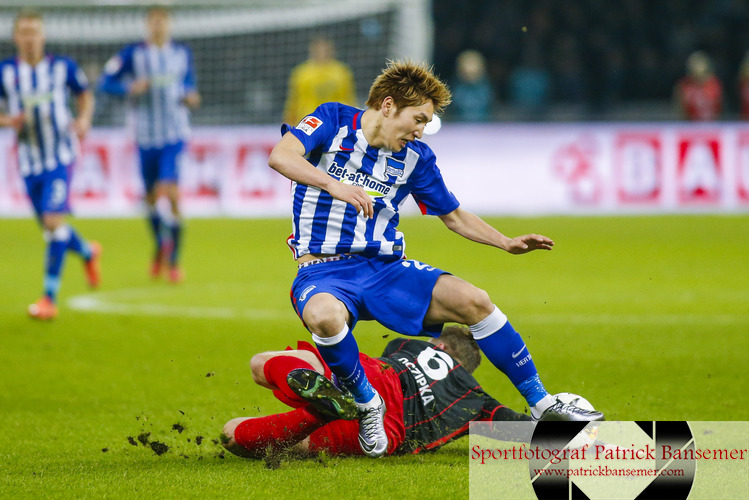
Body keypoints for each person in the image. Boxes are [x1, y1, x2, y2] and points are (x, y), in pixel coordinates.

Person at [267, 60, 604, 458]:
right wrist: (332, 184)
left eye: (426, 123)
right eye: (419, 119)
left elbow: (454, 216)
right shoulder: (332, 119)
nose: (421, 130)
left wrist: (506, 242)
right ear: (388, 105)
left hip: (386, 269)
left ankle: (542, 402)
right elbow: (281, 157)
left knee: (475, 300)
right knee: (324, 317)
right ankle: (367, 403)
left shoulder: (415, 158)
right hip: (324, 270)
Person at [222, 326, 532, 458]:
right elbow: (520, 428)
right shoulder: (475, 400)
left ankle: (322, 398)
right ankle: (316, 414)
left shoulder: (405, 345)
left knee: (260, 363)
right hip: (387, 430)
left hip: (372, 380)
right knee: (234, 434)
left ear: (438, 345)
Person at [0, 9, 101, 320]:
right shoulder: (6, 72)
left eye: (34, 33)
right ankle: (87, 251)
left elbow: (85, 96)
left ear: (42, 37)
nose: (30, 39)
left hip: (61, 157)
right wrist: (7, 120)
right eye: (24, 33)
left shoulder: (62, 67)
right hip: (29, 162)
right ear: (16, 37)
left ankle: (48, 299)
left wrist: (83, 119)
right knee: (50, 227)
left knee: (53, 223)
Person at [98, 6, 200, 283]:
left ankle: (175, 260)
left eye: (162, 21)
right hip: (145, 137)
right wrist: (128, 88)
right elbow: (105, 82)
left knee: (171, 193)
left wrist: (191, 96)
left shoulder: (181, 53)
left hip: (175, 135)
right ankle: (159, 247)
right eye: (153, 21)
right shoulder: (133, 54)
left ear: (169, 24)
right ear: (147, 24)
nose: (158, 26)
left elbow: (190, 84)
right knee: (152, 200)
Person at [283, 36, 356, 126]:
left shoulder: (341, 72)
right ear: (312, 51)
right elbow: (293, 102)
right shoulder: (301, 73)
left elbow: (348, 99)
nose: (322, 53)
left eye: (325, 50)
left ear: (331, 51)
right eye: (318, 50)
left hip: (334, 122)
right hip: (307, 121)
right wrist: (288, 122)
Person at [674, 51, 723, 121]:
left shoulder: (714, 84)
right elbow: (680, 110)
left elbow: (720, 107)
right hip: (691, 126)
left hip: (713, 125)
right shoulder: (684, 86)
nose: (697, 68)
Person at [450, 49, 495, 122]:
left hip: (485, 128)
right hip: (457, 128)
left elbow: (492, 110)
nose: (470, 70)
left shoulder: (487, 90)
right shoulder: (454, 90)